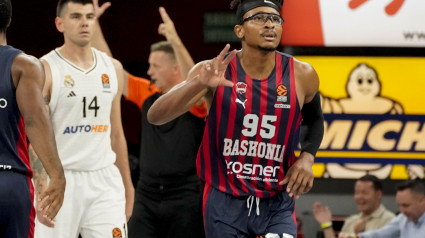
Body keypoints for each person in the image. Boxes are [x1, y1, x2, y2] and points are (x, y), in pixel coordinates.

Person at [147, 0, 325, 237]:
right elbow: (156, 116)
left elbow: (314, 121)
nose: (269, 25)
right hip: (225, 200)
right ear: (239, 30)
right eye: (259, 18)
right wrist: (199, 83)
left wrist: (307, 158)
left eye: (275, 19)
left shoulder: (303, 74)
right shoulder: (214, 70)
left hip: (276, 201)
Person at [92, 2, 206, 237]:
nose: (150, 71)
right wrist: (92, 24)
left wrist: (174, 38)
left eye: (155, 66)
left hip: (184, 197)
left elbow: (196, 80)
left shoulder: (196, 103)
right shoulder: (147, 92)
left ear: (175, 69)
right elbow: (112, 68)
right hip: (146, 194)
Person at [31, 0, 134, 237]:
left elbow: (116, 134)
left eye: (89, 16)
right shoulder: (45, 69)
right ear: (60, 24)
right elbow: (35, 133)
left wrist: (128, 185)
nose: (85, 22)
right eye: (76, 16)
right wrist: (40, 188)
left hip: (104, 180)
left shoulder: (112, 67)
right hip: (60, 180)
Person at [0, 0, 66, 237]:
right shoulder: (24, 65)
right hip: (11, 182)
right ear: (8, 20)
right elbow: (36, 121)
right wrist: (57, 174)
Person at [313, 175, 395, 238]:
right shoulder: (351, 221)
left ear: (378, 194)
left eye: (364, 193)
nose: (359, 197)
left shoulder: (390, 221)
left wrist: (358, 235)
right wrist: (326, 224)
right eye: (357, 192)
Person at [347, 179, 425, 238]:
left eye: (406, 205)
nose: (402, 211)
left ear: (422, 201)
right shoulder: (403, 218)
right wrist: (356, 236)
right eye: (400, 205)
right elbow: (380, 234)